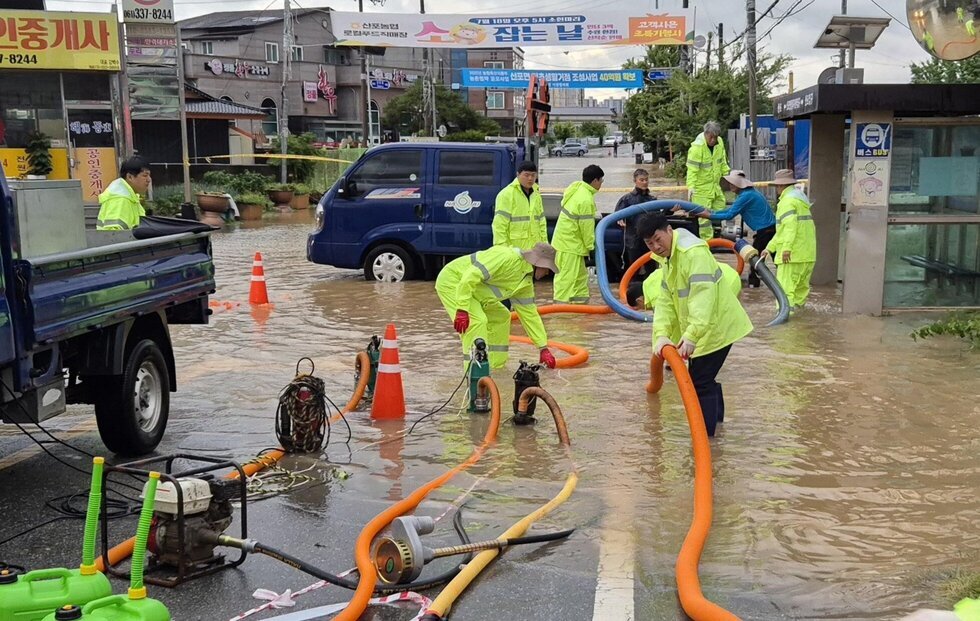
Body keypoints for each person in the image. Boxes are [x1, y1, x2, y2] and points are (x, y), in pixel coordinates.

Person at [638, 212, 752, 437]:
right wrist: (660, 335)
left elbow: (703, 298)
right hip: (705, 327)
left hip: (716, 325)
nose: (655, 247)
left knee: (699, 382)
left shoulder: (693, 254)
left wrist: (691, 335)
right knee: (706, 379)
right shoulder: (668, 259)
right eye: (649, 243)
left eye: (658, 239)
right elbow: (666, 302)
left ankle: (706, 441)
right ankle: (717, 428)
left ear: (669, 230)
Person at [435, 242, 559, 370]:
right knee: (477, 321)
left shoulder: (525, 281)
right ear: (540, 263)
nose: (548, 273)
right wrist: (462, 309)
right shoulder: (505, 257)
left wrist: (542, 348)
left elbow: (530, 315)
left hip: (475, 292)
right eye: (548, 268)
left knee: (502, 316)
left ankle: (496, 368)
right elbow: (470, 277)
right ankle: (474, 372)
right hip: (453, 282)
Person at [694, 170, 777, 288]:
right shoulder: (747, 194)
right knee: (770, 259)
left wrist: (708, 216)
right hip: (767, 229)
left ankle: (755, 287)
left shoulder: (746, 196)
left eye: (733, 183)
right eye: (730, 183)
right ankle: (769, 285)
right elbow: (730, 210)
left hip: (765, 230)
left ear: (740, 184)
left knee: (755, 260)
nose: (730, 185)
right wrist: (711, 212)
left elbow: (729, 215)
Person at [760, 169, 816, 311]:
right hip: (807, 255)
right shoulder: (801, 200)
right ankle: (798, 326)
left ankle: (784, 330)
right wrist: (769, 248)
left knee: (784, 294)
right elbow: (783, 231)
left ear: (780, 186)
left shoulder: (787, 202)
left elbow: (789, 228)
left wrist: (786, 249)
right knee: (800, 295)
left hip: (791, 256)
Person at [552, 165, 603, 304]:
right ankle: (560, 314)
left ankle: (579, 312)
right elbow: (586, 227)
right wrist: (591, 246)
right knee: (566, 280)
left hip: (569, 244)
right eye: (601, 180)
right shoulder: (585, 199)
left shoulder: (577, 190)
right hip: (570, 245)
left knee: (580, 279)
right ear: (595, 181)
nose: (601, 184)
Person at [686, 121, 730, 240]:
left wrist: (728, 179)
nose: (713, 140)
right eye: (711, 137)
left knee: (720, 210)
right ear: (706, 134)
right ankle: (708, 243)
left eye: (715, 137)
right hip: (701, 190)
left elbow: (723, 163)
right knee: (704, 219)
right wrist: (691, 187)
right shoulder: (697, 148)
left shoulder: (719, 142)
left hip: (716, 187)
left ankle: (718, 236)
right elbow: (692, 170)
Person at [491, 160, 546, 251]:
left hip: (534, 251)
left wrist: (544, 245)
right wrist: (502, 250)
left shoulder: (536, 195)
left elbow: (542, 223)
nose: (530, 178)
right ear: (518, 174)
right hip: (514, 251)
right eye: (526, 175)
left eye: (533, 175)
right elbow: (499, 225)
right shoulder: (507, 194)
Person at [614, 168, 657, 281]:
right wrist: (620, 219)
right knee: (633, 269)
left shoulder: (652, 199)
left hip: (649, 240)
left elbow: (659, 217)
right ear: (635, 181)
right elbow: (617, 215)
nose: (644, 182)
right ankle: (632, 293)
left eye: (646, 180)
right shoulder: (627, 199)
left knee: (651, 269)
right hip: (633, 240)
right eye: (641, 180)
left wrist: (670, 210)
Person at [96, 156, 150, 231]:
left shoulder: (130, 197)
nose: (149, 180)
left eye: (149, 175)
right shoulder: (120, 199)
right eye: (145, 175)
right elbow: (113, 234)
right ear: (130, 177)